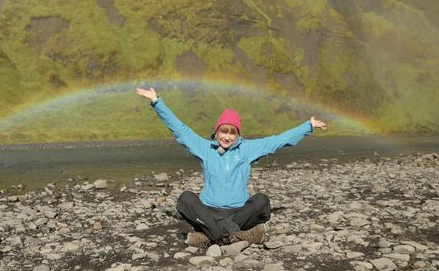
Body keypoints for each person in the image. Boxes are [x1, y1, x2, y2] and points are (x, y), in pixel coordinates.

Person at [136, 87, 326, 248]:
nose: (227, 136)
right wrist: (157, 102)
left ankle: (210, 237)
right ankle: (235, 236)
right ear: (217, 132)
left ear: (238, 135)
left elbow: (277, 141)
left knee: (262, 201)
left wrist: (307, 126)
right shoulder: (205, 148)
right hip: (209, 210)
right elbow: (180, 130)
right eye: (223, 131)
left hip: (238, 212)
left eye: (232, 132)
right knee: (185, 199)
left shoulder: (247, 149)